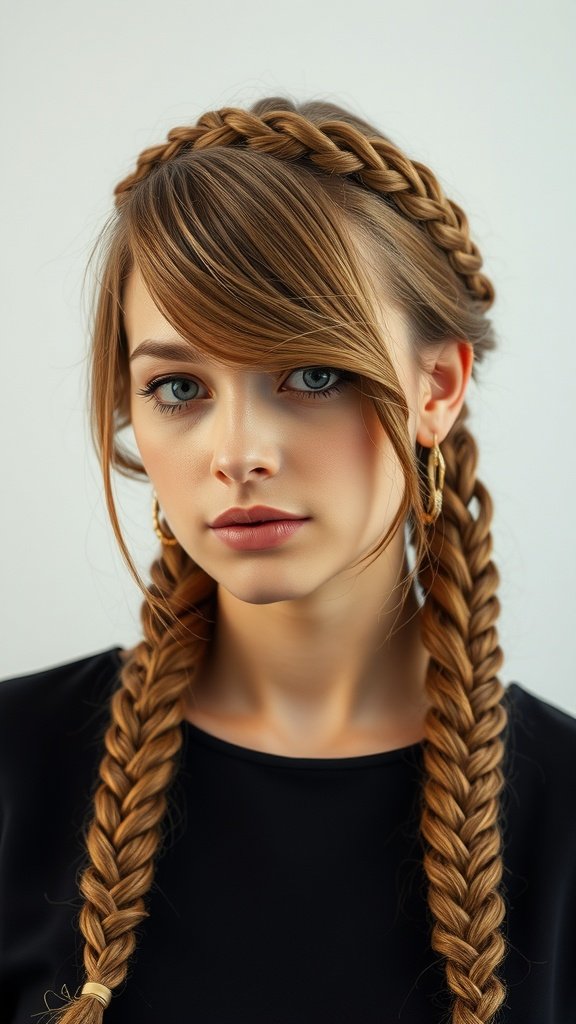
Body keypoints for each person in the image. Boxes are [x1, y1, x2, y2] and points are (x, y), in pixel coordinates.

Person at [0, 96, 575, 1024]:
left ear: (438, 386)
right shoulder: (14, 770)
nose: (236, 452)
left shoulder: (562, 819)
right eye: (178, 387)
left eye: (310, 374)